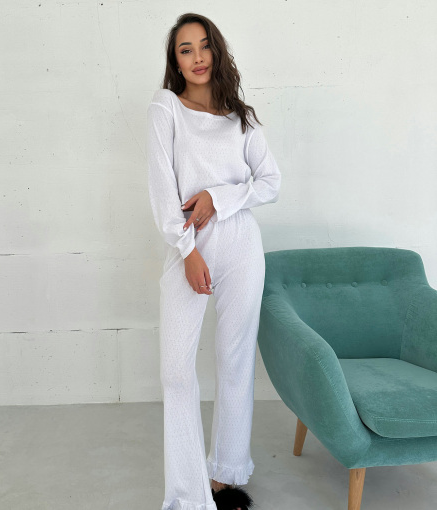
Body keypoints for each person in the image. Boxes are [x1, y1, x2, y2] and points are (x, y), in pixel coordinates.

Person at [147, 12, 281, 510]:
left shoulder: (240, 117)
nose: (198, 57)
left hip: (241, 243)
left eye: (204, 46)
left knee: (235, 358)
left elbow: (270, 182)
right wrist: (188, 252)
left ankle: (225, 473)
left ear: (216, 51)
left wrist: (218, 198)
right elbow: (163, 190)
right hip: (191, 245)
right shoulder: (165, 108)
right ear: (176, 61)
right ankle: (188, 496)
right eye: (186, 50)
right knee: (176, 372)